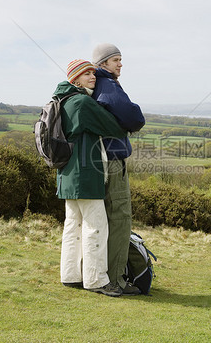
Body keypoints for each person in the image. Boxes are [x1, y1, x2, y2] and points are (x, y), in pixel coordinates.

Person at [56, 59, 128, 297]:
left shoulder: (61, 100)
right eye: (86, 74)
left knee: (72, 226)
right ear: (74, 79)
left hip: (66, 175)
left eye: (92, 72)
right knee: (95, 227)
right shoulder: (82, 102)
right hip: (85, 174)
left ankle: (70, 275)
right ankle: (96, 280)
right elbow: (114, 128)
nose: (92, 76)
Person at [91, 43, 145, 295]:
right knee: (120, 218)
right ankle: (115, 279)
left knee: (102, 220)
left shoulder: (94, 85)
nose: (120, 64)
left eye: (120, 60)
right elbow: (134, 117)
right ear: (102, 64)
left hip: (97, 160)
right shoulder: (108, 85)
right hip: (113, 160)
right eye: (115, 60)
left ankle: (100, 274)